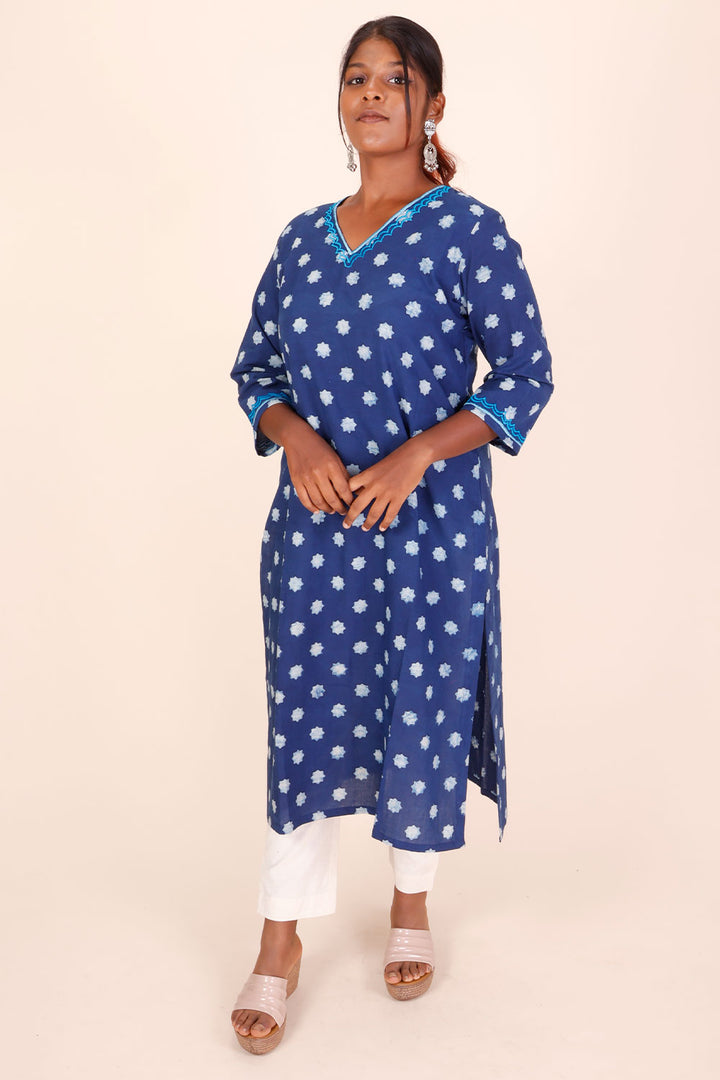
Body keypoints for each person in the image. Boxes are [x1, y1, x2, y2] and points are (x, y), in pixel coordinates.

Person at [228, 15, 554, 1054]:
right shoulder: (300, 240)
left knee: (422, 706)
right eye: (356, 77)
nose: (371, 93)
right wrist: (293, 439)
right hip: (318, 532)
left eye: (395, 80)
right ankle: (280, 940)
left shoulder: (470, 233)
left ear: (433, 106)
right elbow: (256, 370)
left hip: (432, 530)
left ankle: (411, 902)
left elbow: (527, 376)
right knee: (306, 723)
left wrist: (420, 452)